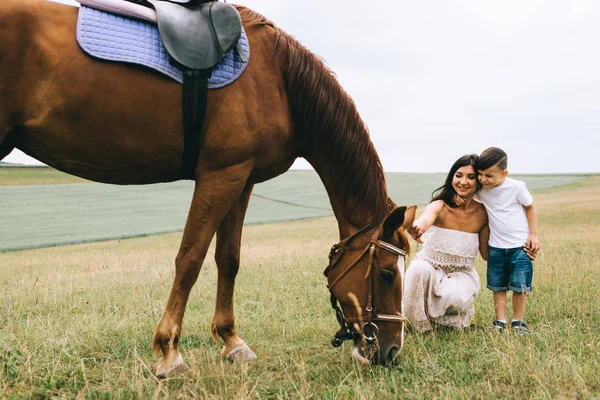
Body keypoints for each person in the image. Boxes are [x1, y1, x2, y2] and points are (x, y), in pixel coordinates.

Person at [404, 154, 489, 332]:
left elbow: (486, 254)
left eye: (471, 177)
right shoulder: (440, 205)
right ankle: (417, 324)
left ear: (479, 182)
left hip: (461, 273)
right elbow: (425, 219)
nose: (463, 181)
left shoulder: (482, 213)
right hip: (430, 267)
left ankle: (445, 323)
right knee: (418, 269)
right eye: (458, 175)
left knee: (455, 296)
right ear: (451, 178)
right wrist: (416, 228)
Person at [476, 147, 540, 334]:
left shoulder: (516, 187)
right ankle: (500, 322)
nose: (483, 179)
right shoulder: (482, 190)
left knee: (520, 287)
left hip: (520, 246)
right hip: (496, 246)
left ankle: (518, 322)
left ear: (504, 174)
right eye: (480, 174)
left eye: (489, 175)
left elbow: (530, 207)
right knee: (498, 286)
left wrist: (533, 234)